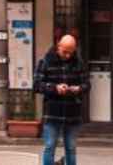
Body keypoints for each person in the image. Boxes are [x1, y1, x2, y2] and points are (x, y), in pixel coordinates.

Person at [34, 34, 89, 165]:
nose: (68, 56)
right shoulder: (45, 61)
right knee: (49, 147)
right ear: (58, 46)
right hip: (52, 112)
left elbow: (87, 85)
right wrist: (55, 88)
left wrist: (78, 89)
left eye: (71, 52)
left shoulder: (79, 63)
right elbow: (36, 85)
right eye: (65, 52)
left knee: (71, 148)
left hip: (72, 113)